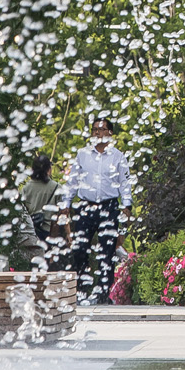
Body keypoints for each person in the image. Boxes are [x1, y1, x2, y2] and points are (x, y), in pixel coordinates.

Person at [67, 117, 132, 304]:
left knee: (107, 250)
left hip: (108, 206)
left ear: (110, 133)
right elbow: (73, 181)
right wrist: (66, 205)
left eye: (102, 129)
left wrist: (126, 207)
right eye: (95, 129)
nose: (97, 133)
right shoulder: (82, 155)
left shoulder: (118, 156)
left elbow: (125, 184)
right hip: (86, 206)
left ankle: (104, 293)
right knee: (80, 248)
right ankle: (81, 291)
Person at [20, 154, 62, 263]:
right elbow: (60, 216)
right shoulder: (57, 187)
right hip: (48, 232)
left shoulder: (26, 188)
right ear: (49, 169)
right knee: (46, 270)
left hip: (30, 233)